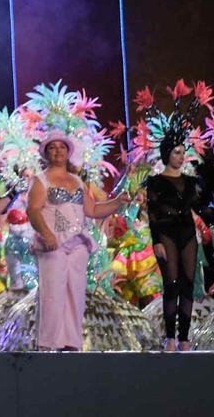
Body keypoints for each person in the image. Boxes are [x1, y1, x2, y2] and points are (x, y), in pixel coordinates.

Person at [27, 134, 133, 351]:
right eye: (53, 148)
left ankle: (71, 343)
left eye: (62, 147)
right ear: (46, 153)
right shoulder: (40, 180)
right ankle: (48, 344)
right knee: (53, 293)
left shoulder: (76, 181)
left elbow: (92, 210)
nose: (58, 151)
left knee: (75, 294)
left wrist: (117, 202)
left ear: (68, 152)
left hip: (78, 244)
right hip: (53, 245)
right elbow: (33, 210)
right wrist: (47, 234)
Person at [143, 125, 214, 351]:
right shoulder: (155, 182)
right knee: (172, 284)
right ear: (166, 153)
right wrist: (156, 241)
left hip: (187, 234)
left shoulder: (190, 182)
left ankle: (184, 338)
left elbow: (202, 209)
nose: (180, 156)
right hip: (166, 234)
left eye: (182, 152)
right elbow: (153, 215)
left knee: (187, 285)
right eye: (176, 152)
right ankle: (170, 337)